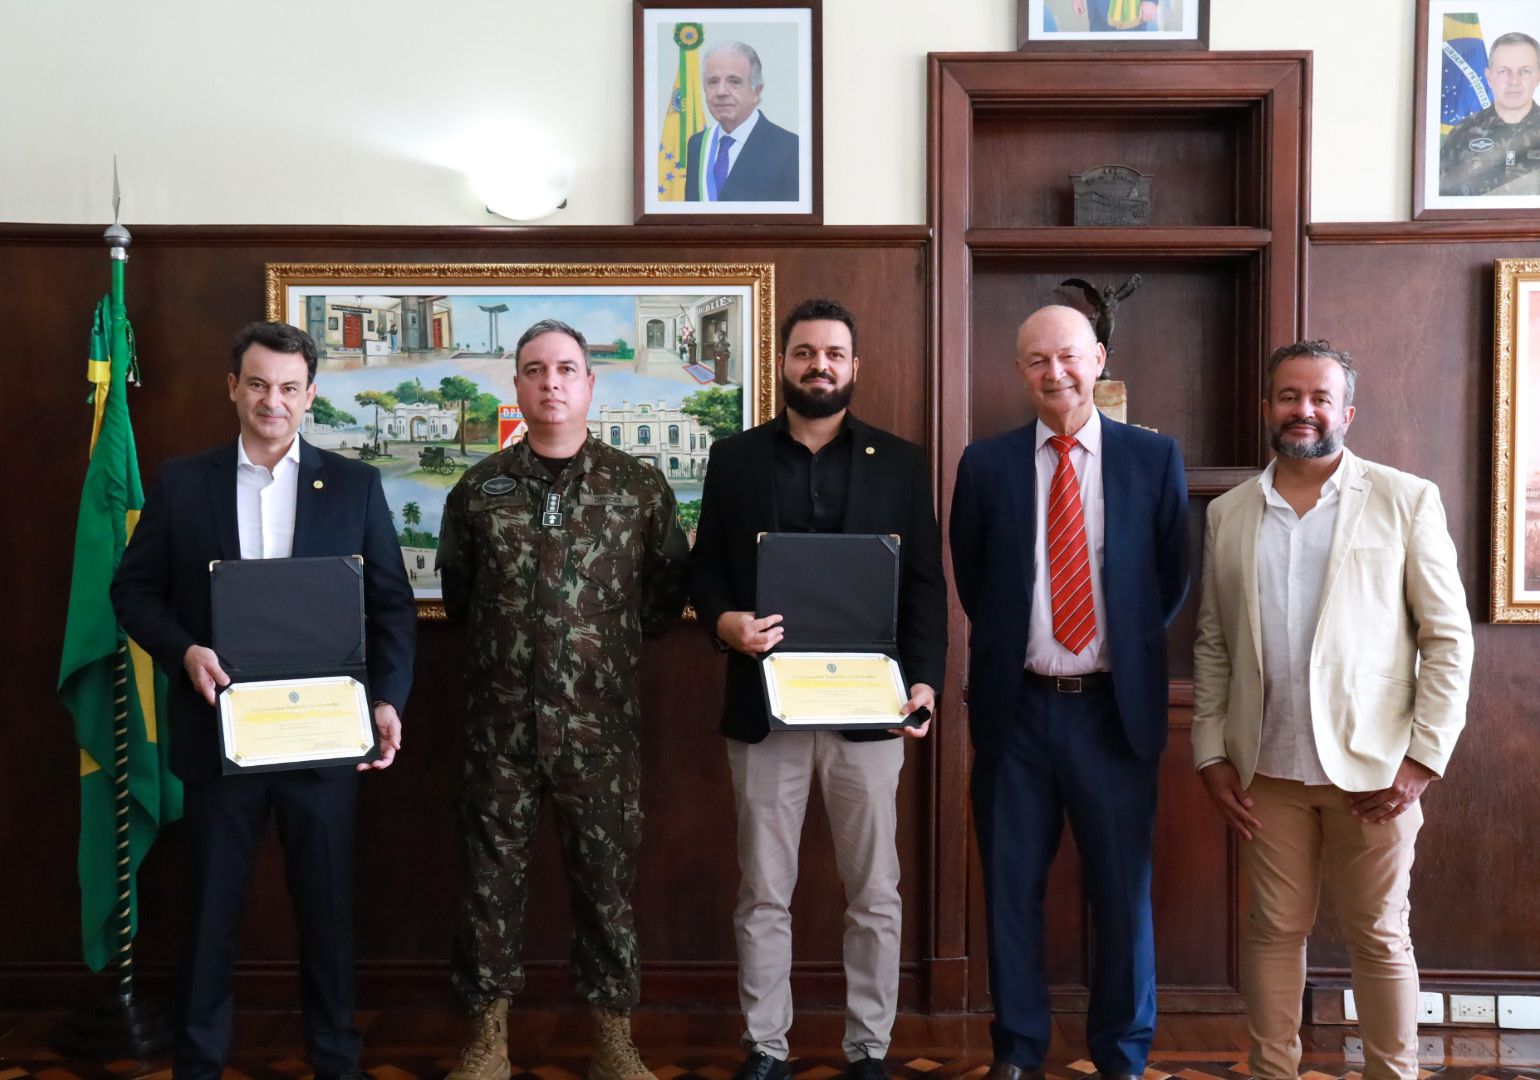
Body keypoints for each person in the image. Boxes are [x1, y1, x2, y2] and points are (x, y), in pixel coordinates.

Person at [111, 321, 416, 1080]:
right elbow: (133, 590)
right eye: (257, 384)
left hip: (323, 737)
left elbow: (390, 609)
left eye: (287, 388)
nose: (271, 401)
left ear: (310, 395)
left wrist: (388, 700)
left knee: (328, 914)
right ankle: (200, 1061)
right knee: (210, 911)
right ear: (232, 388)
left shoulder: (354, 484)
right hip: (221, 737)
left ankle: (336, 1058)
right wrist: (184, 650)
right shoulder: (184, 484)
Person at [1191, 340, 1474, 1080]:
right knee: (1273, 930)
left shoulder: (1405, 498)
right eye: (1289, 396)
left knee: (1379, 935)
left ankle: (1392, 1072)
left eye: (1320, 398)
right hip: (1267, 768)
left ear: (1345, 412)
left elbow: (1447, 639)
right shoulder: (1229, 513)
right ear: (1267, 409)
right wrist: (1211, 751)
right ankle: (1273, 1071)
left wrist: (1424, 757)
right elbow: (1214, 644)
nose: (1303, 410)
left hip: (1377, 771)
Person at [689, 298, 947, 1080]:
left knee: (875, 892)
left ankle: (869, 1049)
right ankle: (766, 1046)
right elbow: (706, 570)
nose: (819, 366)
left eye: (834, 353)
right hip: (766, 712)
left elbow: (927, 588)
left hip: (870, 715)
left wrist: (927, 682)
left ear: (855, 366)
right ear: (784, 363)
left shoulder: (901, 463)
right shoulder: (735, 460)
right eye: (805, 353)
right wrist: (725, 622)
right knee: (763, 890)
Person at [436, 319, 688, 1080]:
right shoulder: (480, 489)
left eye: (567, 369)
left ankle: (612, 1036)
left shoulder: (638, 487)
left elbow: (661, 601)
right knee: (488, 883)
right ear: (515, 385)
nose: (552, 382)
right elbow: (460, 599)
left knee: (607, 886)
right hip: (499, 730)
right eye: (536, 369)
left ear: (590, 383)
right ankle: (487, 1039)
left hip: (600, 729)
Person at [949, 305, 1188, 1080]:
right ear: (1020, 371)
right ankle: (1017, 1051)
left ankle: (1121, 1054)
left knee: (1123, 896)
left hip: (1114, 715)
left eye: (1069, 357)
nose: (1055, 373)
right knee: (1011, 890)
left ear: (1099, 360)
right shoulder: (985, 466)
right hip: (1015, 711)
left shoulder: (1152, 460)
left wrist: (1109, 644)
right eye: (1037, 361)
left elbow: (1170, 576)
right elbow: (977, 580)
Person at [684, 41, 799, 202]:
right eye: (713, 82)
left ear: (756, 92)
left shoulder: (791, 148)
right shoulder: (697, 144)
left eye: (734, 82)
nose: (721, 92)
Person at [1441, 31, 1540, 196]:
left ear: (1538, 76)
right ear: (1489, 77)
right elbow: (1442, 204)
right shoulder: (1462, 133)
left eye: (1525, 71)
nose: (1514, 81)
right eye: (1503, 71)